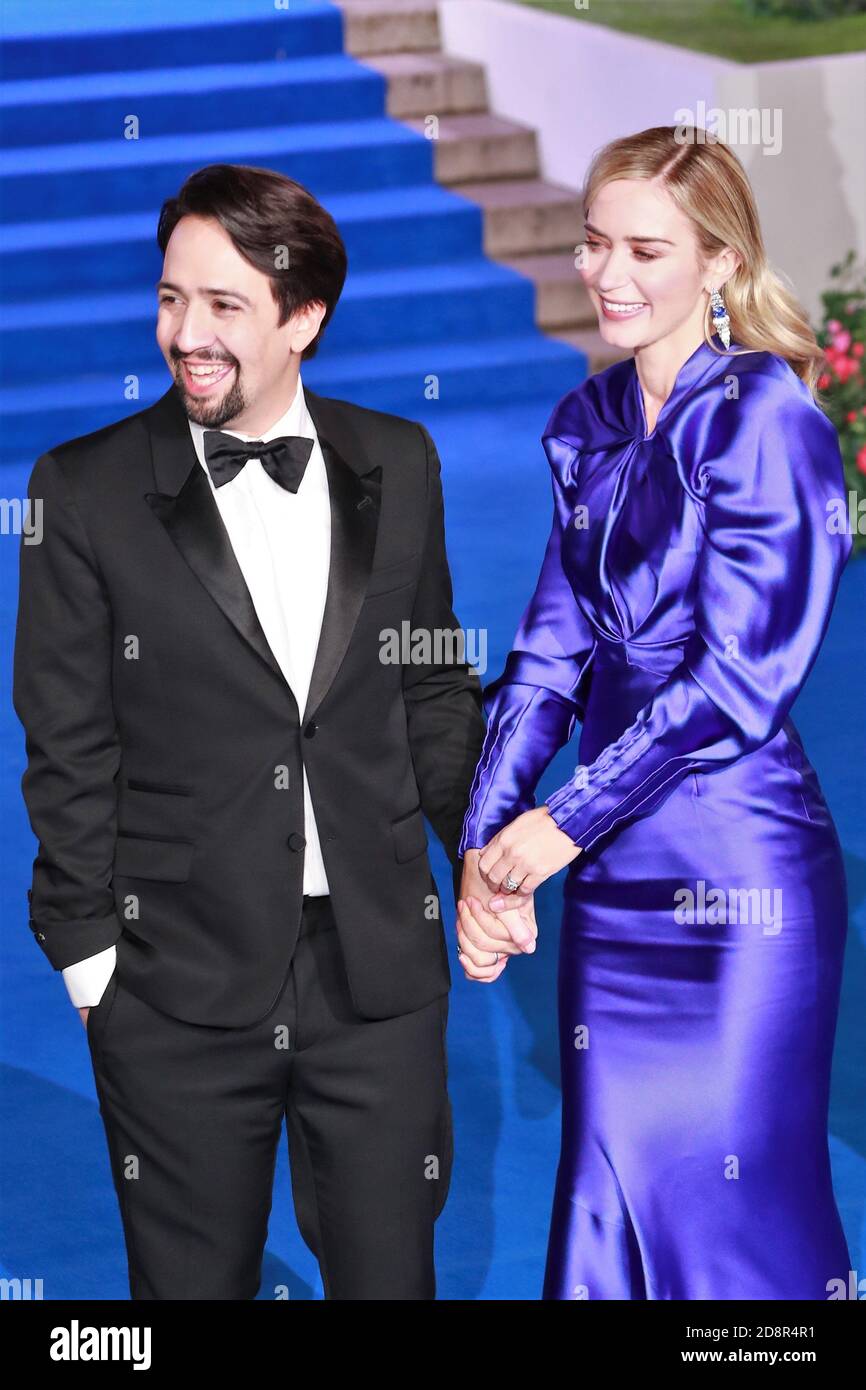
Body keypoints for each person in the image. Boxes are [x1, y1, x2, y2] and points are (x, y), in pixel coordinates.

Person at [13, 162, 517, 1300]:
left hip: (377, 973)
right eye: (169, 298)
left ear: (303, 318)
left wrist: (478, 845)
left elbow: (429, 687)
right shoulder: (82, 490)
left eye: (223, 305)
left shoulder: (398, 460)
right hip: (173, 978)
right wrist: (93, 962)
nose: (184, 334)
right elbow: (65, 736)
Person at [455, 126, 853, 1300]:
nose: (606, 274)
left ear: (719, 263)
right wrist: (487, 845)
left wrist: (559, 823)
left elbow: (739, 677)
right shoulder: (586, 424)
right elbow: (546, 656)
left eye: (643, 248)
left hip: (741, 884)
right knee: (605, 1189)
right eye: (591, 243)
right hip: (615, 893)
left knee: (730, 1221)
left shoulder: (765, 419)